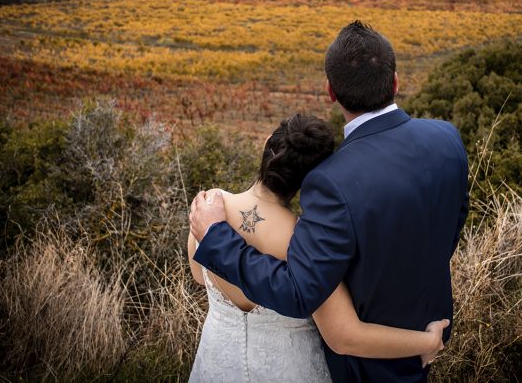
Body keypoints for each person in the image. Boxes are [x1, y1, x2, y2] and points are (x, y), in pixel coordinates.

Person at [190, 20, 469, 382]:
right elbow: (452, 221)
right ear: (395, 81)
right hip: (427, 332)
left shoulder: (331, 181)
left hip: (363, 366)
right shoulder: (446, 139)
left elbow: (297, 291)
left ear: (331, 92)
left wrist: (215, 237)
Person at [187, 113, 449, 382]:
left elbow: (199, 274)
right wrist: (427, 342)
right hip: (289, 370)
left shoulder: (208, 207)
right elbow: (345, 336)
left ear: (267, 144)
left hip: (216, 363)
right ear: (313, 175)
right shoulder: (305, 240)